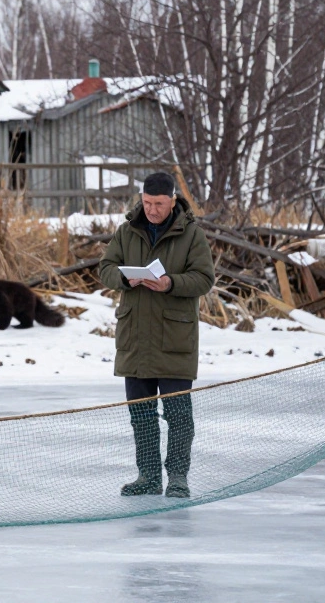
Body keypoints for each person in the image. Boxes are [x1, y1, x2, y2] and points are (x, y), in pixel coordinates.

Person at [98, 171, 214, 499]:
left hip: (174, 340)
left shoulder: (192, 235)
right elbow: (105, 267)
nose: (151, 210)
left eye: (158, 204)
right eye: (146, 203)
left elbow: (204, 279)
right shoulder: (126, 231)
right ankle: (147, 477)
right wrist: (124, 278)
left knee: (178, 415)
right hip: (135, 339)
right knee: (141, 415)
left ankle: (177, 477)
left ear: (173, 201)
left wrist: (170, 284)